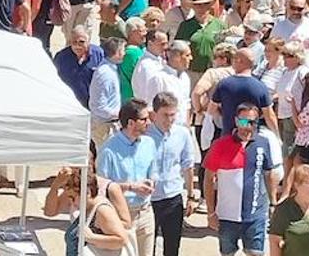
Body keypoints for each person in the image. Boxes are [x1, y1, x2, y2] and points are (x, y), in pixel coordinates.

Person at [205, 103, 280, 256]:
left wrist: (272, 203)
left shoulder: (263, 143)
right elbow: (208, 179)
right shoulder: (220, 145)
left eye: (253, 122)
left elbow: (268, 172)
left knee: (255, 253)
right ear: (236, 121)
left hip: (255, 215)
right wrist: (211, 212)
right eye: (244, 121)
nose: (248, 127)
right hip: (227, 216)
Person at [97, 99, 159, 256]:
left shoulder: (149, 143)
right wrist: (131, 187)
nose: (149, 123)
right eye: (144, 119)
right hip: (120, 215)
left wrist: (151, 182)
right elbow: (100, 186)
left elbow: (153, 172)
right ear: (131, 123)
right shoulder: (109, 150)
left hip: (145, 212)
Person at [43, 165, 134, 256]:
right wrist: (55, 185)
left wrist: (92, 238)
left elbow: (121, 240)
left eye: (73, 197)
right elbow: (49, 211)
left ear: (87, 192)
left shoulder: (102, 210)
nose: (71, 202)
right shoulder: (88, 209)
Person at [148, 91, 197, 256]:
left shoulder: (182, 134)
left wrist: (191, 196)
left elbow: (188, 165)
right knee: (147, 248)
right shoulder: (144, 135)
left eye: (172, 115)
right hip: (149, 199)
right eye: (165, 115)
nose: (169, 119)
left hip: (173, 197)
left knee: (172, 247)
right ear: (154, 114)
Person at [214, 48, 279, 136]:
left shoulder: (224, 84)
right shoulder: (260, 87)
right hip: (250, 137)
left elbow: (212, 109)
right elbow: (269, 116)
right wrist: (277, 136)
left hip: (229, 136)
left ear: (239, 61)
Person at [176, 0, 225, 75]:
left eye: (205, 4)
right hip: (192, 71)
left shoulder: (219, 25)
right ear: (193, 7)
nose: (201, 8)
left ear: (209, 6)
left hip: (214, 71)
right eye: (197, 5)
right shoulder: (185, 26)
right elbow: (179, 48)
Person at [54, 27, 105, 106]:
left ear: (88, 42)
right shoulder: (61, 57)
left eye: (81, 42)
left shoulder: (99, 54)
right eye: (74, 42)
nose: (77, 46)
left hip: (93, 104)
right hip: (69, 104)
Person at [274, 0, 309, 70]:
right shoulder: (279, 27)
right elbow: (273, 49)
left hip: (305, 72)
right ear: (288, 7)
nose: (296, 11)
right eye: (293, 8)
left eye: (299, 9)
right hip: (282, 72)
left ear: (305, 9)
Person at [89, 37, 125, 146]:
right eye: (123, 50)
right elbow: (98, 106)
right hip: (104, 126)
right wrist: (118, 114)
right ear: (117, 52)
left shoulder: (110, 70)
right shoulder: (105, 74)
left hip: (110, 124)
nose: (124, 53)